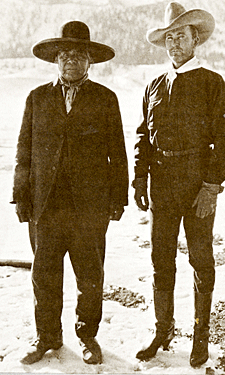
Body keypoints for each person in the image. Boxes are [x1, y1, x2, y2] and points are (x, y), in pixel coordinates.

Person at [11, 21, 128, 365]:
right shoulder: (37, 98)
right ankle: (47, 336)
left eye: (78, 55)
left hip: (89, 208)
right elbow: (24, 153)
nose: (71, 61)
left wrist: (117, 199)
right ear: (56, 60)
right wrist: (21, 197)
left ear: (89, 60)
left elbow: (117, 154)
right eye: (65, 55)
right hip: (45, 206)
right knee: (44, 275)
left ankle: (88, 335)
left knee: (90, 276)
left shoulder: (106, 99)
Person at [133, 2, 225, 367]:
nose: (175, 42)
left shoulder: (212, 83)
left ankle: (200, 335)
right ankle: (163, 332)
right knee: (161, 260)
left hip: (197, 185)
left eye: (182, 35)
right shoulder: (154, 85)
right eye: (169, 37)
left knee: (200, 259)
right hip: (162, 185)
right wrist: (139, 179)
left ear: (196, 39)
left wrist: (211, 187)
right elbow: (144, 135)